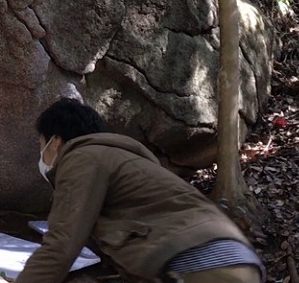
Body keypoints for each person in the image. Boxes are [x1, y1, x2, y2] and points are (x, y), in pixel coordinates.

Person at [16, 98, 263, 283]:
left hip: (200, 264)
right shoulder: (124, 160)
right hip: (236, 259)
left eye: (41, 144)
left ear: (56, 141)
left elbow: (61, 245)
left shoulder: (82, 157)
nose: (42, 154)